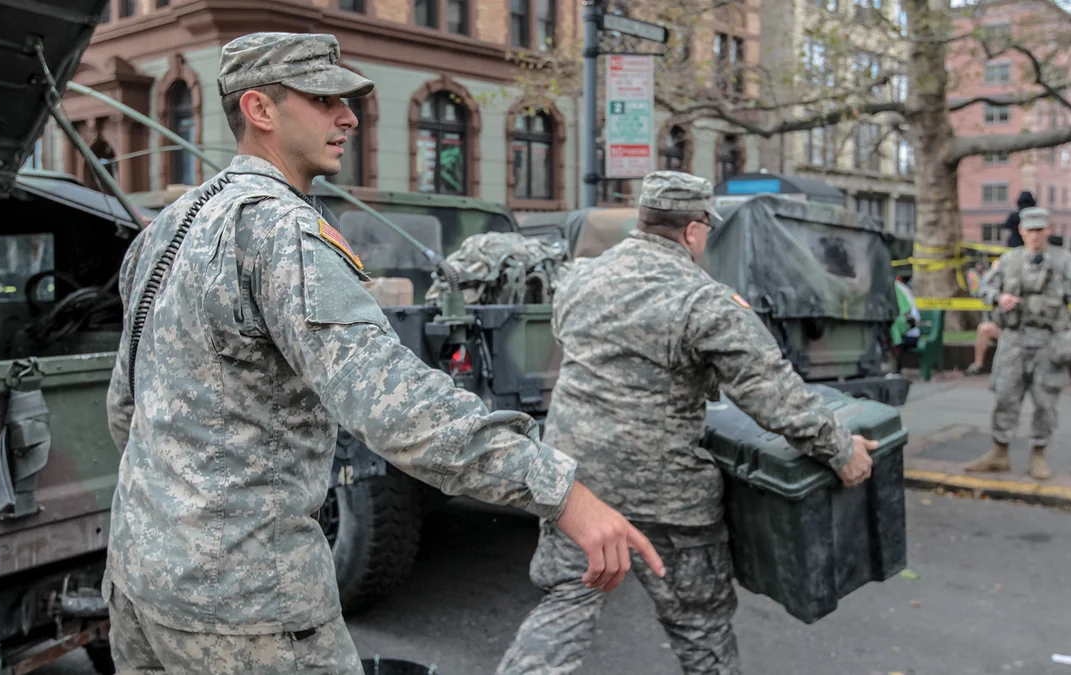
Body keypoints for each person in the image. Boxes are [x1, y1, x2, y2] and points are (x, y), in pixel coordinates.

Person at [102, 32, 663, 674]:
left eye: (349, 101)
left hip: (140, 578)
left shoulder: (168, 228)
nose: (349, 116)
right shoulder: (282, 233)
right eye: (323, 99)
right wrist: (564, 495)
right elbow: (396, 408)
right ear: (260, 110)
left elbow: (127, 407)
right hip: (246, 607)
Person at [494, 171, 878, 675]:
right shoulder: (705, 300)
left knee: (566, 604)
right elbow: (776, 398)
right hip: (669, 498)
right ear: (695, 230)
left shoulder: (580, 278)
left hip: (574, 486)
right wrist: (842, 450)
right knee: (702, 630)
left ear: (644, 218)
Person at [966, 207, 1071, 480]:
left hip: (1049, 341)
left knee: (1045, 401)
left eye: (1040, 230)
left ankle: (1039, 454)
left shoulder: (1064, 262)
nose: (1035, 235)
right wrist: (999, 298)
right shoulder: (1009, 261)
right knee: (1004, 395)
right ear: (1021, 231)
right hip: (1013, 339)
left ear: (1048, 230)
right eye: (1030, 230)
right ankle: (999, 452)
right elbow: (984, 289)